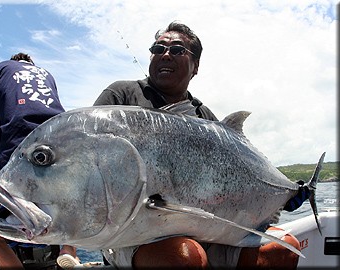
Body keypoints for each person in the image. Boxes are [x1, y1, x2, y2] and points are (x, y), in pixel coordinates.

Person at [93, 22, 301, 269]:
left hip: (203, 228)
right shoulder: (122, 95)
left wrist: (286, 192)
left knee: (282, 249)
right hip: (132, 230)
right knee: (184, 257)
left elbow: (239, 173)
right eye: (158, 48)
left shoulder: (205, 117)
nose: (165, 54)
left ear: (196, 66)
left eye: (177, 50)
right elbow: (92, 156)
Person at [0, 53, 78, 269]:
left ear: (13, 60)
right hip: (63, 146)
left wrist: (4, 163)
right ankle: (69, 250)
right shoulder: (47, 74)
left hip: (20, 150)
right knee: (67, 219)